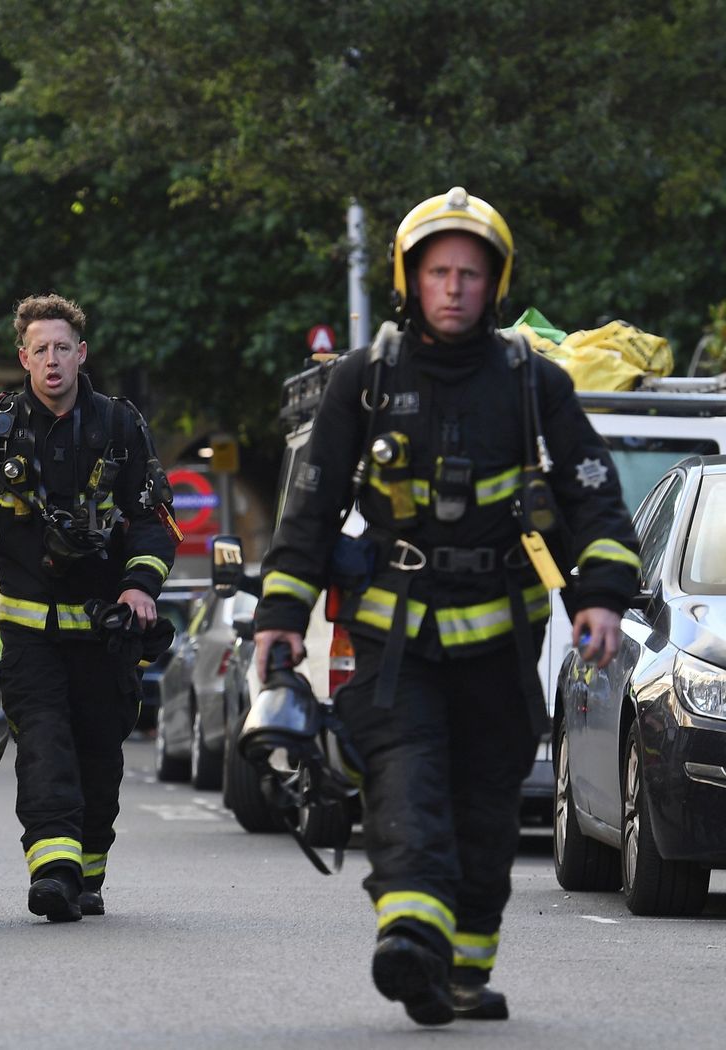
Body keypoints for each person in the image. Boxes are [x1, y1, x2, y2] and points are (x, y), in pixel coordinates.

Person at [251, 188, 639, 1026]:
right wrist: (279, 619)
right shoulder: (367, 378)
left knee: (488, 812)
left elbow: (595, 500)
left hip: (501, 648)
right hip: (395, 649)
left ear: (494, 284)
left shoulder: (532, 382)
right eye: (439, 272)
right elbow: (309, 509)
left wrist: (602, 597)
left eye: (470, 273)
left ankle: (461, 968)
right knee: (408, 786)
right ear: (410, 280)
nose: (455, 287)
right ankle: (410, 941)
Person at [0, 293, 178, 922]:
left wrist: (139, 587)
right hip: (30, 634)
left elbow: (156, 521)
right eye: (39, 349)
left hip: (105, 634)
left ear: (81, 354)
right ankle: (53, 871)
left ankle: (88, 870)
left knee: (99, 751)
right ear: (23, 357)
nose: (51, 360)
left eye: (62, 347)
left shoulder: (121, 427)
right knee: (43, 744)